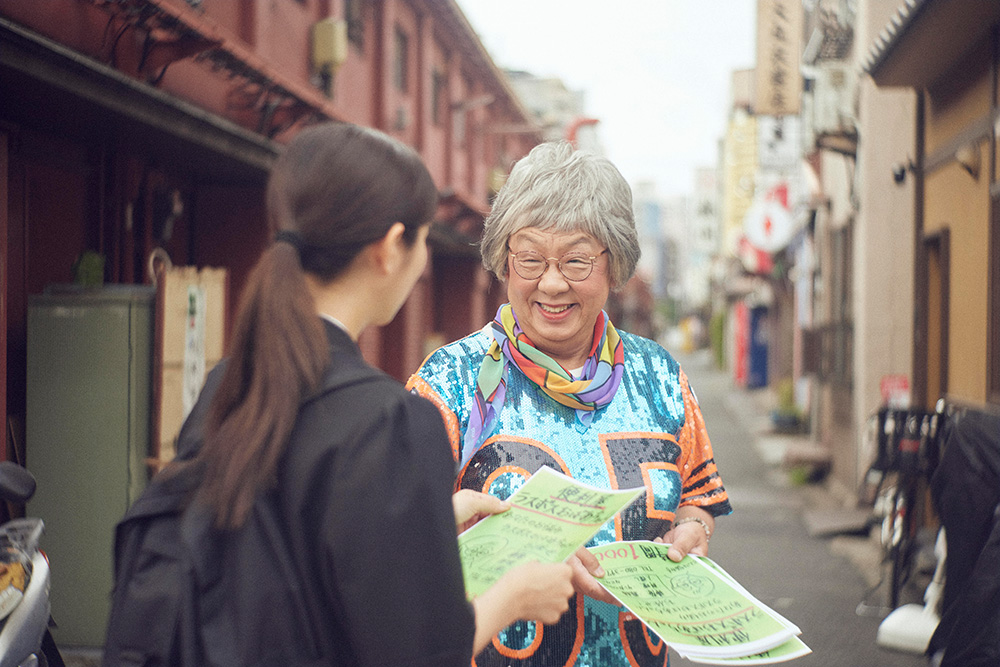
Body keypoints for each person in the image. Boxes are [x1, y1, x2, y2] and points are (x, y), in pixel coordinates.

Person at [142, 122, 574, 665]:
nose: (422, 265)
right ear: (392, 248)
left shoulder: (229, 386)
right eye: (422, 240)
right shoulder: (392, 422)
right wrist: (515, 598)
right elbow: (417, 654)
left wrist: (433, 518)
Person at [407, 141, 732, 667]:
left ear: (614, 263)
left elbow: (696, 493)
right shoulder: (449, 381)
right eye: (530, 258)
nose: (552, 283)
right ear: (504, 262)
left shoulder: (660, 376)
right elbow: (401, 546)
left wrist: (693, 530)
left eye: (576, 261)